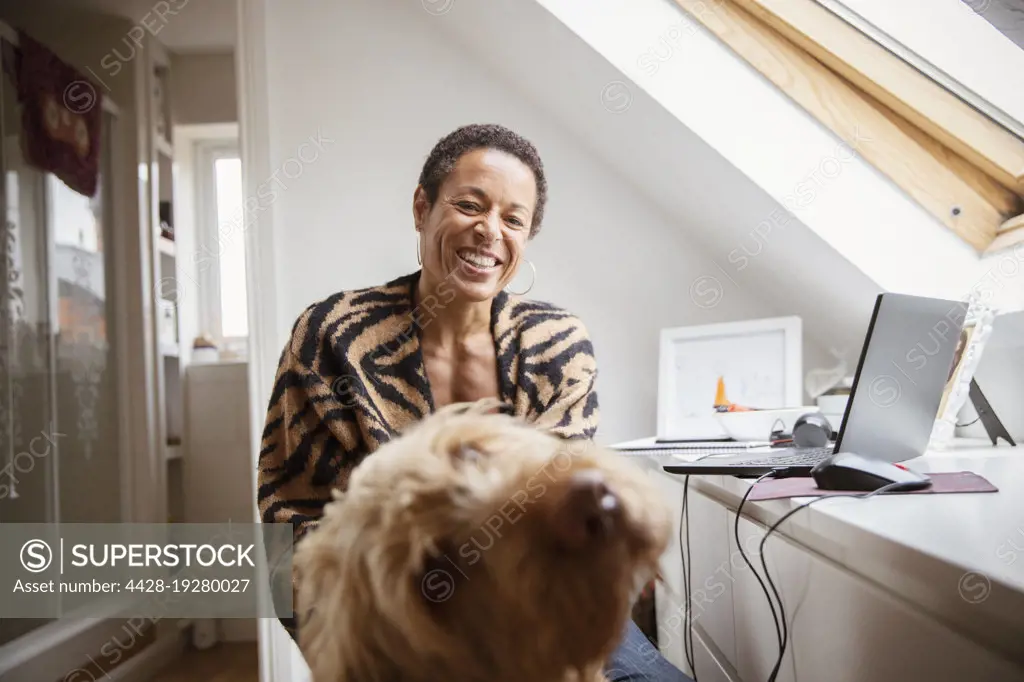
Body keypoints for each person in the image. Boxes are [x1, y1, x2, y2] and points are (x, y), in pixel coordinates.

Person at [257, 123, 691, 682]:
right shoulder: (332, 336)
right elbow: (291, 532)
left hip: (545, 608)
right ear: (422, 207)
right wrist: (362, 659)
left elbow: (567, 516)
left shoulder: (557, 344)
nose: (490, 231)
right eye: (469, 205)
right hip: (400, 624)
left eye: (514, 219)